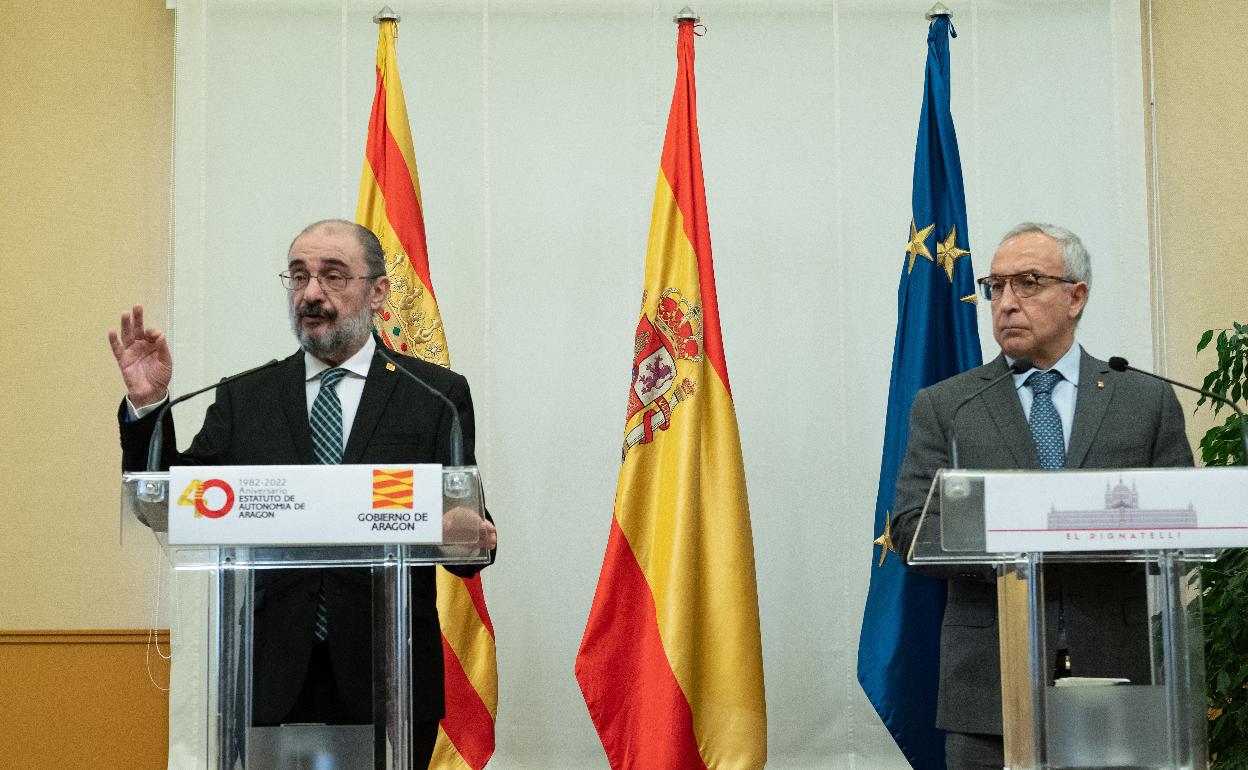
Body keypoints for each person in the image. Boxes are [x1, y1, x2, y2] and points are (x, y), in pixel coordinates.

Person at [109, 219, 496, 768]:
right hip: (266, 674)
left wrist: (465, 536)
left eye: (333, 276)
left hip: (388, 674)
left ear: (378, 291)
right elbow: (172, 499)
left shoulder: (431, 395)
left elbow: (464, 531)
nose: (311, 293)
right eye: (298, 277)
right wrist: (149, 405)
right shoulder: (246, 396)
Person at [890, 223, 1192, 769]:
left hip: (1119, 680)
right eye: (996, 286)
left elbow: (1183, 518)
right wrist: (1023, 543)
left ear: (1076, 297)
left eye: (1028, 283)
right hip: (987, 687)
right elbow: (912, 526)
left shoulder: (1144, 400)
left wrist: (1076, 533)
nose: (1006, 303)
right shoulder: (948, 405)